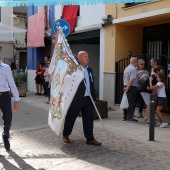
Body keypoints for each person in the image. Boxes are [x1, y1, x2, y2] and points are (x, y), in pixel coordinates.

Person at [62, 51, 102, 146]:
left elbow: (91, 82)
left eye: (88, 56)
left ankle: (90, 138)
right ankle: (66, 134)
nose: (87, 58)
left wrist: (94, 96)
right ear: (79, 58)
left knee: (89, 118)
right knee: (71, 116)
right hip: (77, 98)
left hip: (88, 98)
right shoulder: (75, 69)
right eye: (85, 57)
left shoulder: (89, 69)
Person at [0, 59, 20, 151]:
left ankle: (5, 136)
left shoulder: (6, 68)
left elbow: (12, 84)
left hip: (4, 96)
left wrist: (16, 100)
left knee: (8, 118)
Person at [123, 57, 138, 122]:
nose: (137, 63)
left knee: (126, 101)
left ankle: (125, 116)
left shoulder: (127, 68)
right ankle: (130, 117)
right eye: (137, 62)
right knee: (131, 103)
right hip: (131, 87)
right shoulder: (133, 69)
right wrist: (128, 87)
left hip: (126, 85)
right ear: (135, 62)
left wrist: (126, 87)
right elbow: (132, 80)